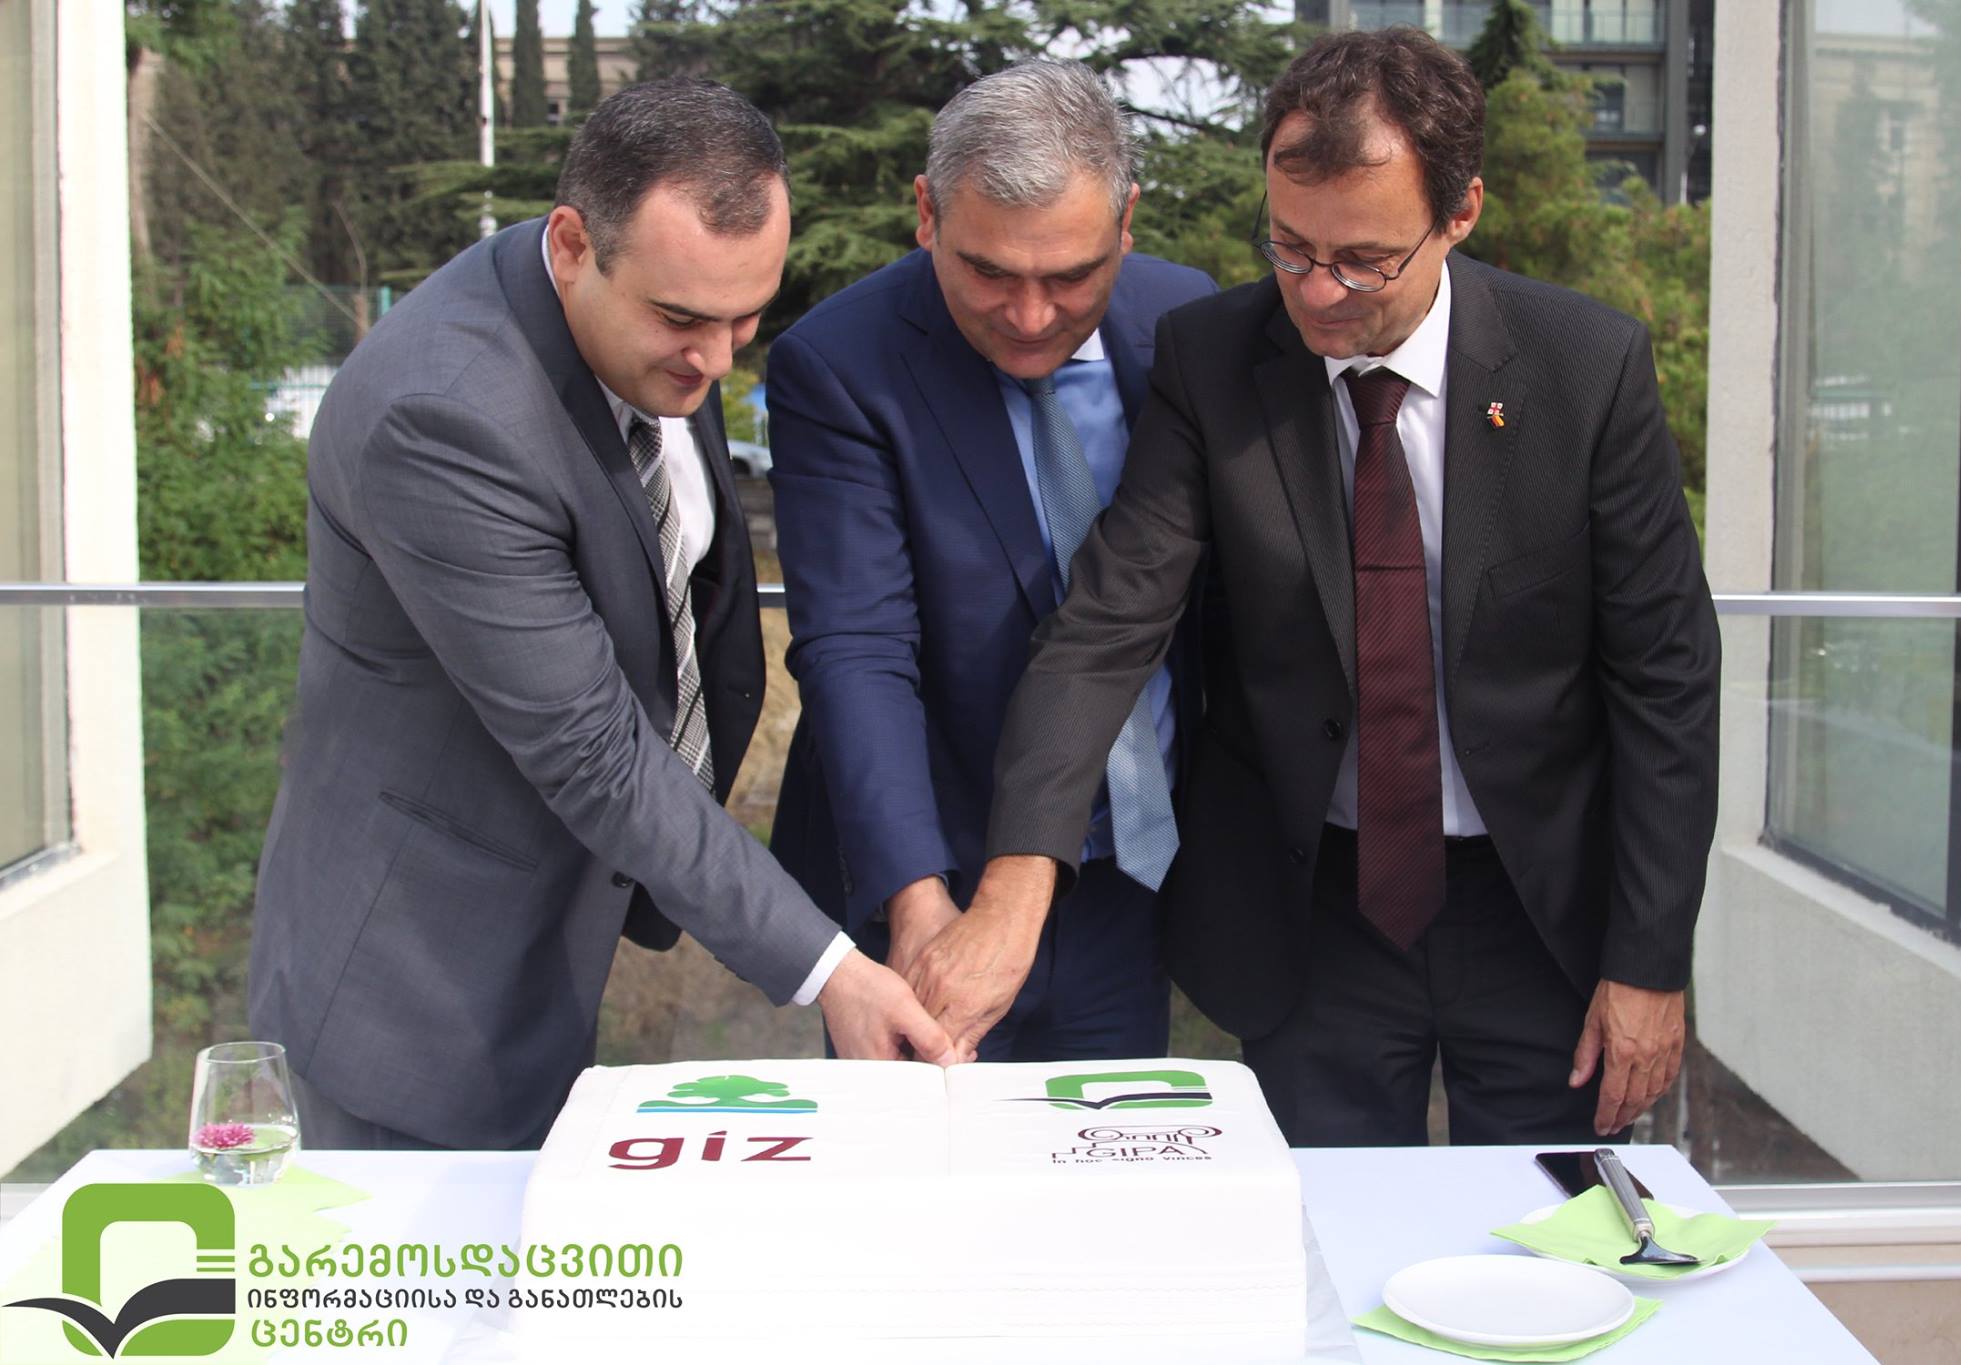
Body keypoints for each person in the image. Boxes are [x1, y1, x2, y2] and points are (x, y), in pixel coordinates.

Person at [967, 30, 1720, 1144]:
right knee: (1320, 1229)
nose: (1317, 292)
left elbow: (1666, 680)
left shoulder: (1584, 368)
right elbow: (1109, 624)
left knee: (1545, 1224)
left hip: (1539, 909)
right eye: (1289, 246)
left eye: (1364, 259)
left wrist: (1651, 959)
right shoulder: (1212, 359)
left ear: (1459, 212)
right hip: (1310, 912)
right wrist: (1017, 875)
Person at [248, 78, 953, 1153]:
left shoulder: (652, 315)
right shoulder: (442, 417)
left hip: (569, 920)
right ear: (573, 244)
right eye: (683, 320)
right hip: (417, 989)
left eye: (746, 317)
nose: (718, 361)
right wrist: (830, 972)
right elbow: (594, 750)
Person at [766, 61, 1215, 1061]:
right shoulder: (840, 364)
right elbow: (857, 648)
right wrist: (916, 903)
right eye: (989, 273)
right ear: (926, 213)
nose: (1029, 315)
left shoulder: (1185, 324)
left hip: (1133, 879)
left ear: (1127, 221)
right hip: (936, 870)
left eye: (1070, 277)